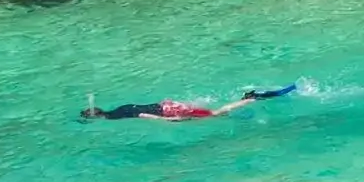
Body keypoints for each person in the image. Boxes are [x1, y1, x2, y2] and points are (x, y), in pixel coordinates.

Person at [84, 84, 296, 122]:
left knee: (215, 114)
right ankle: (248, 98)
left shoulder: (114, 116)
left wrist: (170, 121)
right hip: (166, 104)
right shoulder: (119, 108)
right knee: (206, 112)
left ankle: (251, 98)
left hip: (168, 112)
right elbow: (139, 108)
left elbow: (142, 115)